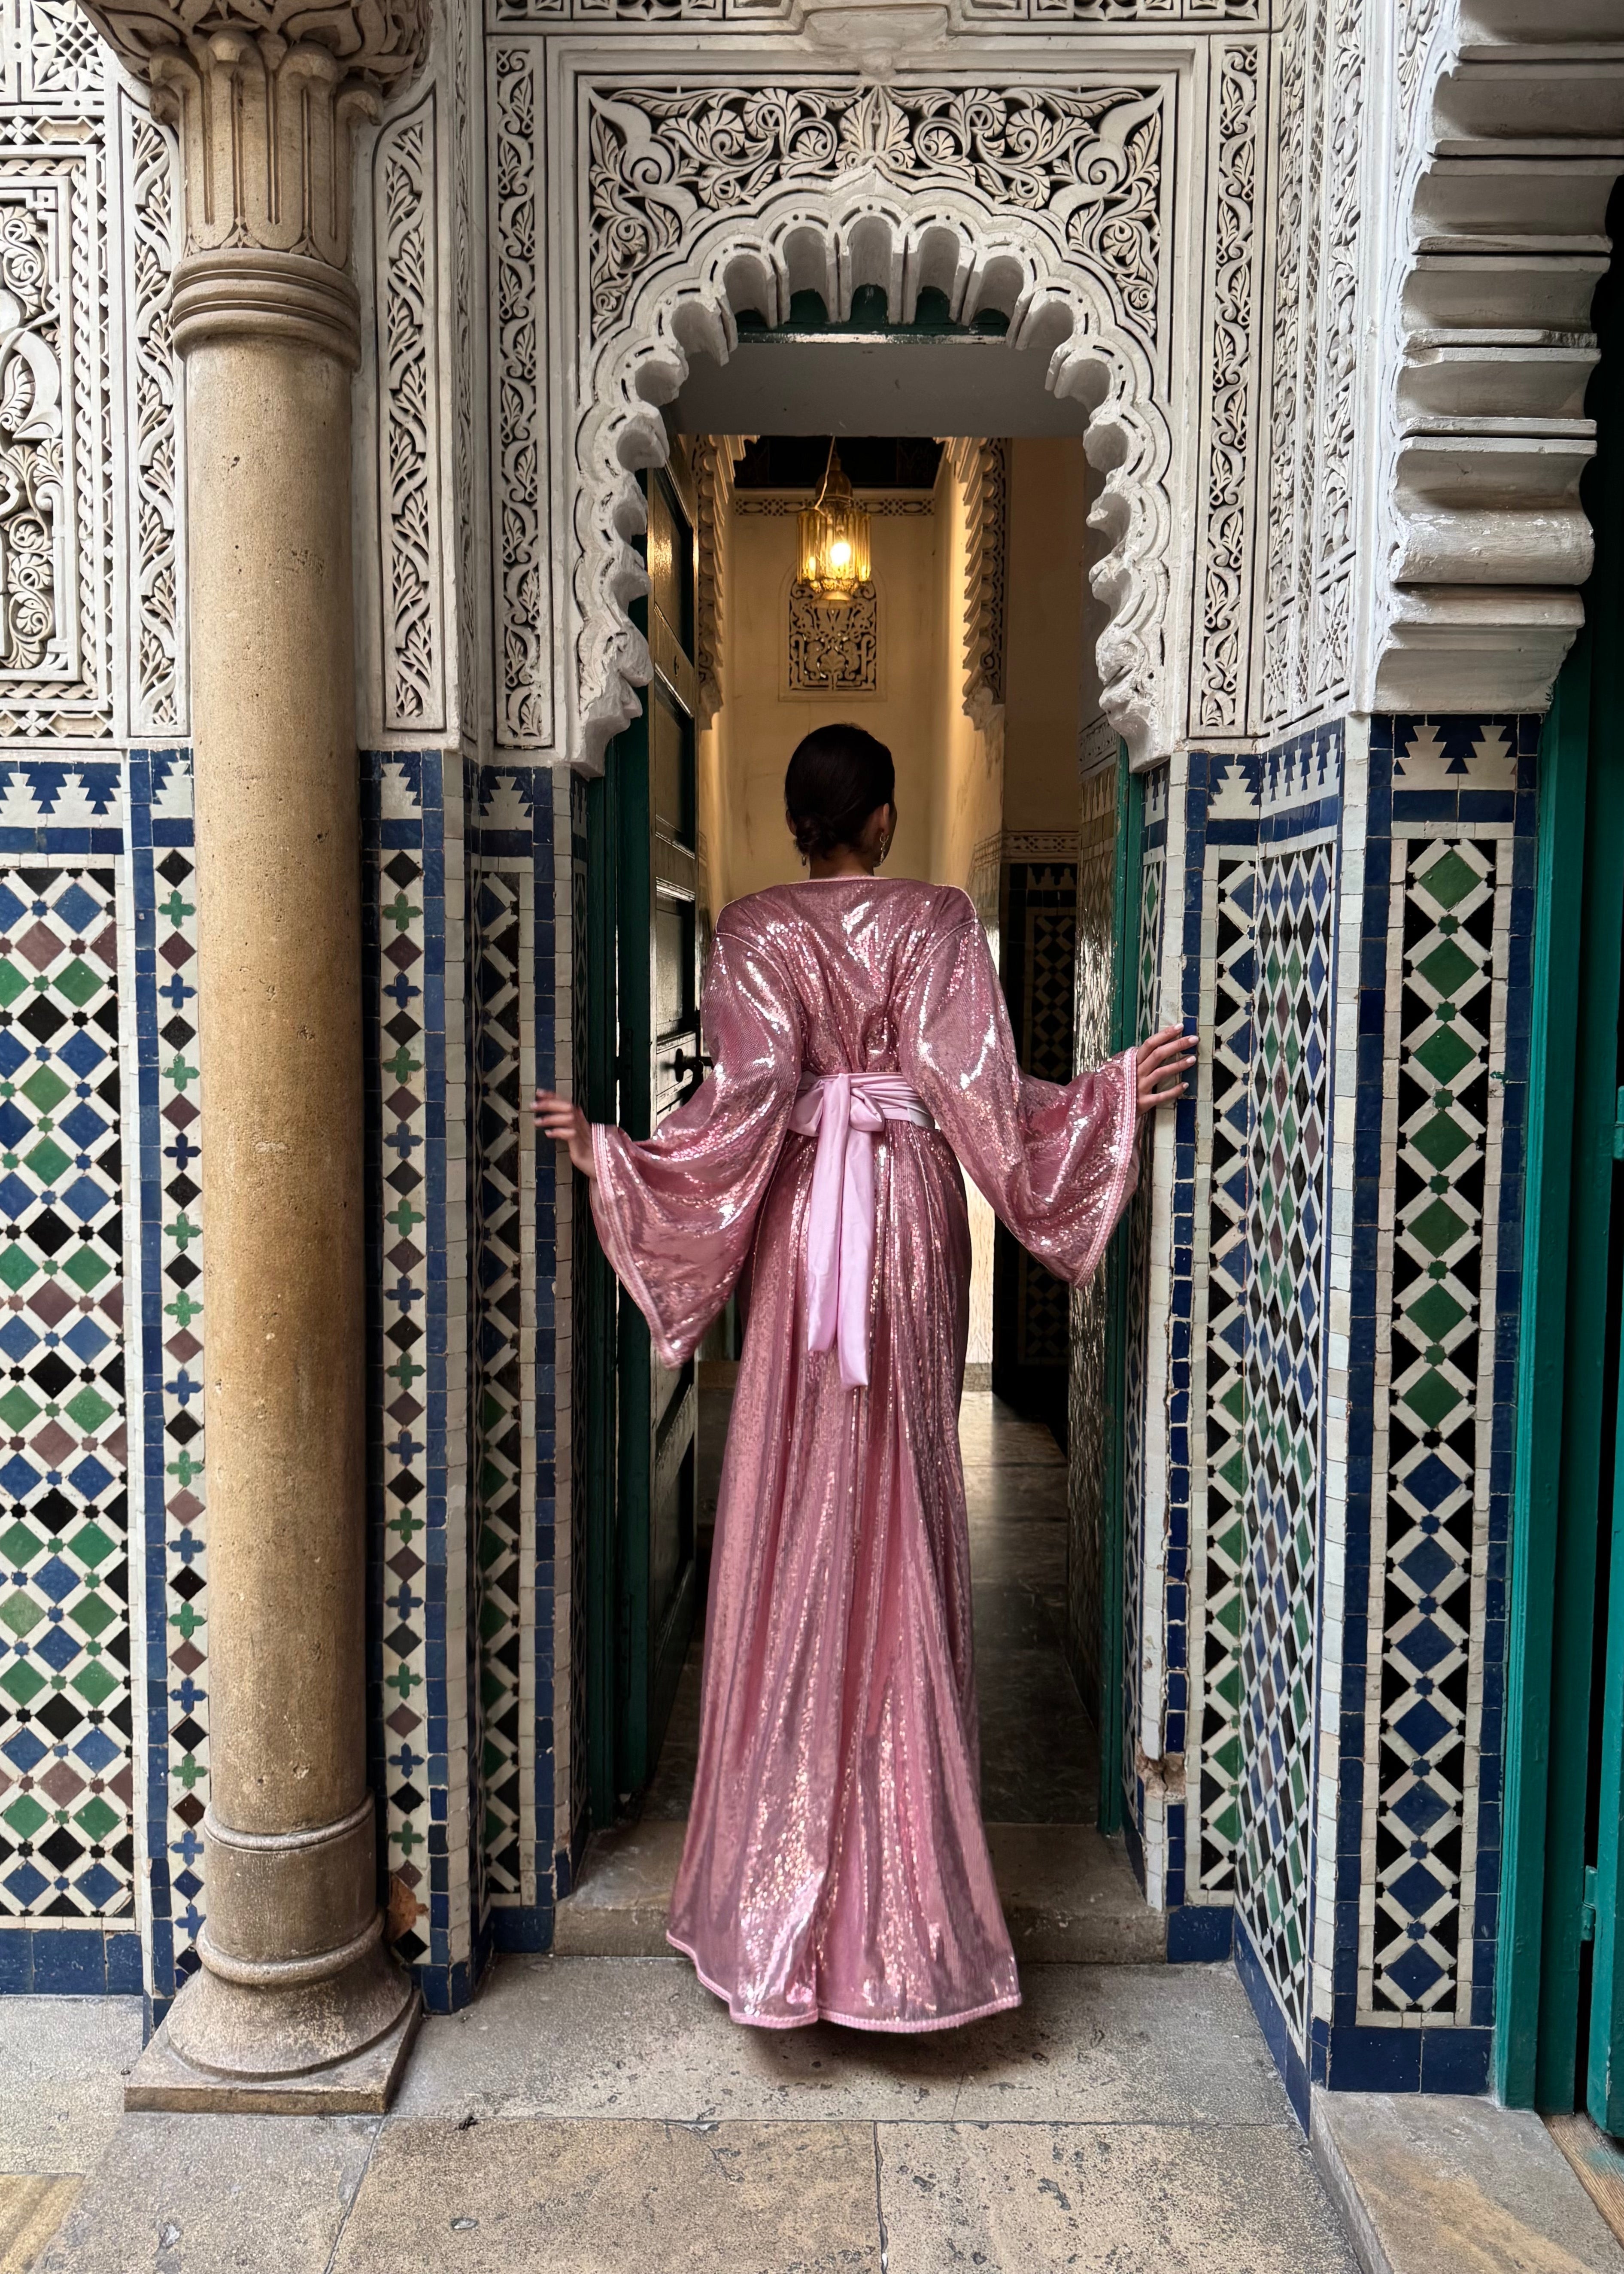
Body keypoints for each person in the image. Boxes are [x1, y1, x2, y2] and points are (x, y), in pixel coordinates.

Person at [535, 722, 1195, 2033]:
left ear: (798, 824)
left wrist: (618, 1154)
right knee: (903, 1490)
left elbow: (744, 1099)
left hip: (797, 1229)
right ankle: (902, 1908)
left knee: (790, 1500)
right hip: (906, 1222)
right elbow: (987, 1103)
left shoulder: (750, 931)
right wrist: (1114, 1097)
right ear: (884, 820)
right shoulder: (940, 920)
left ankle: (772, 1902)